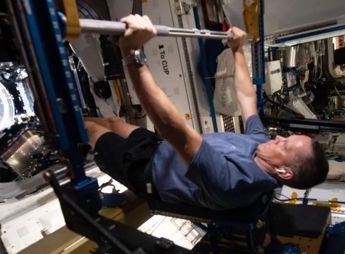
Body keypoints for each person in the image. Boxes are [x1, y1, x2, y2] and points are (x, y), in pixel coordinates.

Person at [85, 14, 328, 210]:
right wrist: (237, 50)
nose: (278, 138)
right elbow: (246, 98)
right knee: (113, 121)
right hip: (160, 149)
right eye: (286, 137)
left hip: (147, 171)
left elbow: (172, 127)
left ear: (283, 171)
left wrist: (132, 54)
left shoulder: (235, 182)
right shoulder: (261, 145)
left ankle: (58, 130)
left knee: (91, 129)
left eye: (284, 146)